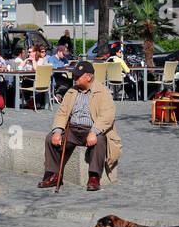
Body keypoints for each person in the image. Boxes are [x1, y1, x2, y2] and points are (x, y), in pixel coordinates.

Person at [40, 62, 122, 191]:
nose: (75, 78)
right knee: (50, 138)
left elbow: (107, 115)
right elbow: (62, 112)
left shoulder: (102, 91)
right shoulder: (72, 91)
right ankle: (54, 174)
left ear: (89, 77)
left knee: (100, 140)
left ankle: (94, 176)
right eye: (74, 75)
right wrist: (57, 131)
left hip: (91, 129)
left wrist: (94, 131)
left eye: (78, 76)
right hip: (72, 130)